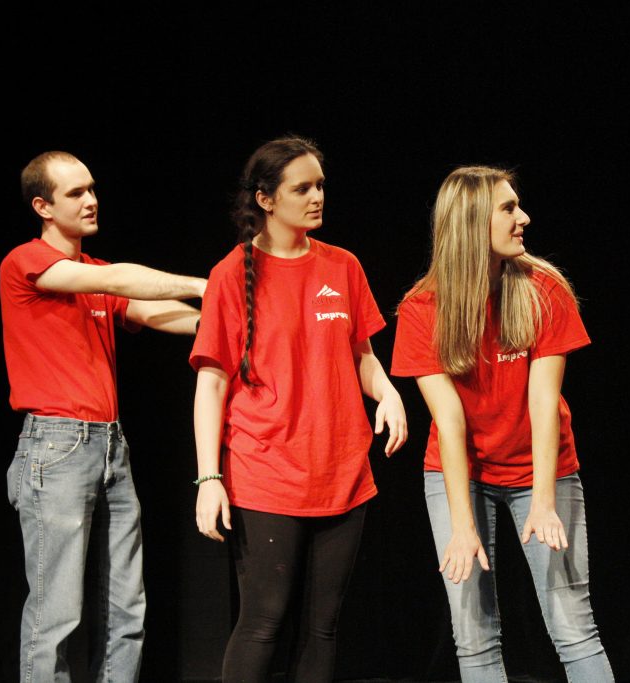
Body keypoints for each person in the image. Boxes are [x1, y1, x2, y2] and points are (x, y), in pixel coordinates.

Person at [191, 136, 406, 682]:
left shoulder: (343, 266)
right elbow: (211, 385)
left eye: (320, 186)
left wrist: (388, 393)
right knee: (263, 621)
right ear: (266, 199)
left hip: (341, 471)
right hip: (266, 474)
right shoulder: (230, 275)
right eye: (301, 188)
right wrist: (208, 477)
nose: (316, 197)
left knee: (323, 628)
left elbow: (362, 356)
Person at [391, 166, 614, 681]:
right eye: (508, 208)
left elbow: (543, 400)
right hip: (457, 472)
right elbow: (449, 419)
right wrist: (463, 527)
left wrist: (542, 501)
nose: (524, 218)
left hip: (542, 468)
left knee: (573, 627)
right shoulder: (423, 307)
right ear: (472, 222)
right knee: (474, 637)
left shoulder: (544, 289)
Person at [1, 151, 206, 682]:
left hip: (110, 447)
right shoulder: (26, 261)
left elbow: (152, 312)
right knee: (57, 616)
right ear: (43, 206)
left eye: (92, 189)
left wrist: (230, 325)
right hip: (57, 445)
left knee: (127, 609)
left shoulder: (92, 273)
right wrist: (202, 283)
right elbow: (123, 283)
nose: (91, 200)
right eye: (76, 193)